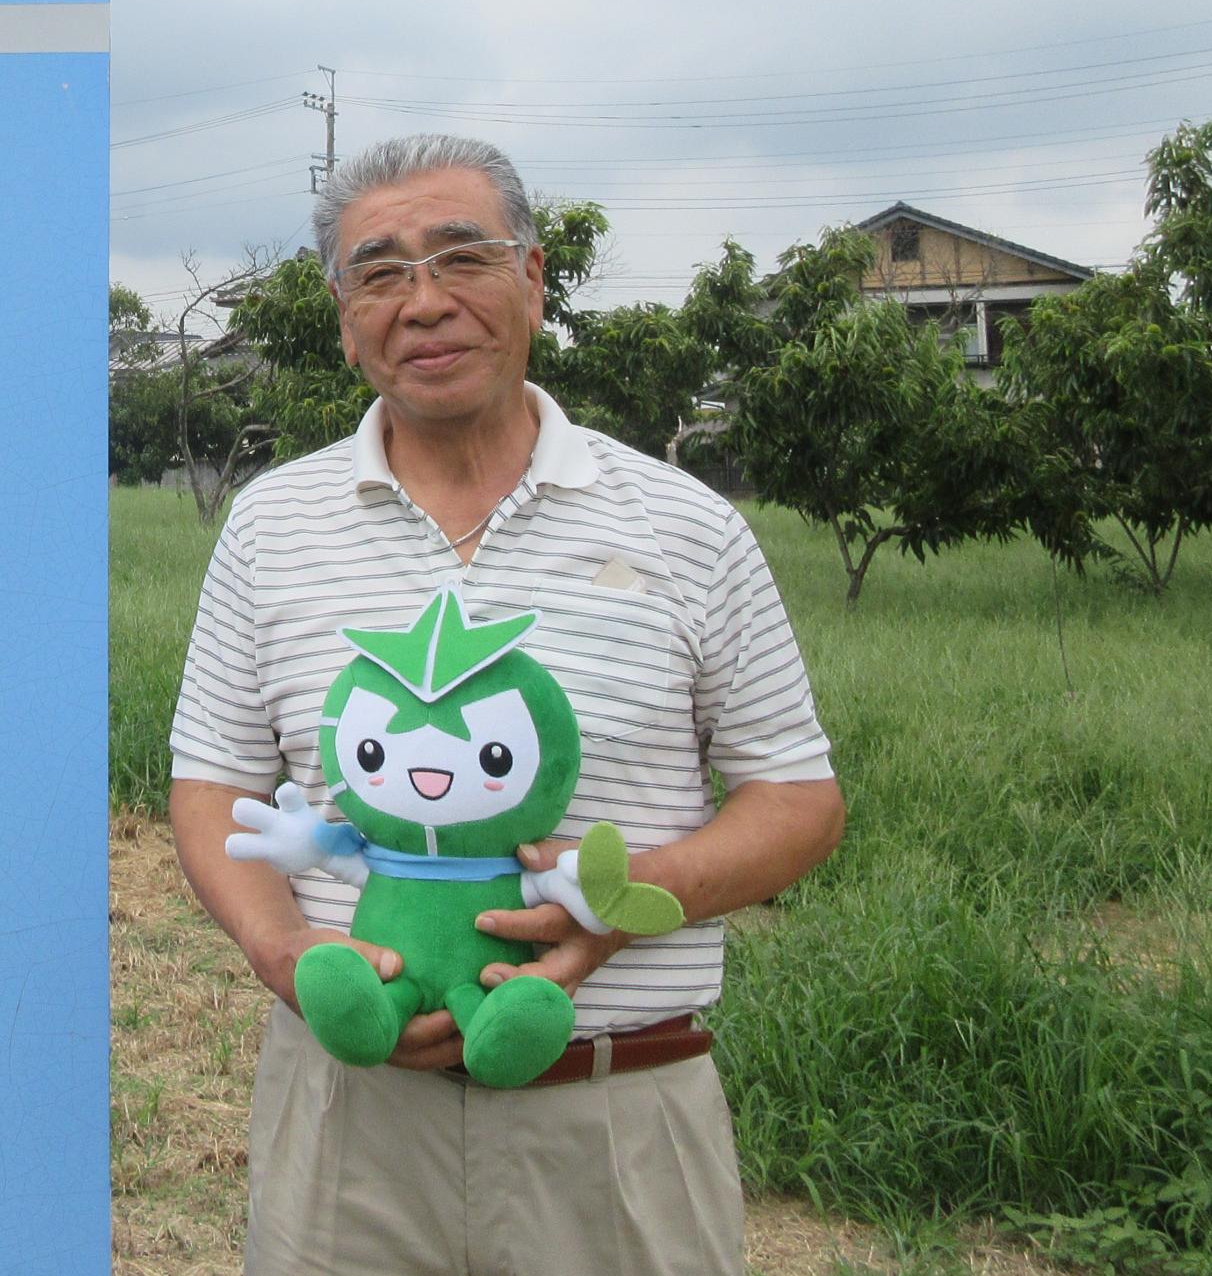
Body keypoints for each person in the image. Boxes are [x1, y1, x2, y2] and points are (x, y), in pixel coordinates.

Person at [168, 134, 845, 1276]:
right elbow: (212, 781)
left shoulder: (683, 525)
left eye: (461, 259)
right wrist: (284, 950)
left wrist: (619, 903)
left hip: (613, 1109)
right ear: (344, 316)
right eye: (378, 273)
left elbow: (796, 794)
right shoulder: (273, 526)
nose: (422, 303)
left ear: (533, 279)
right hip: (349, 1116)